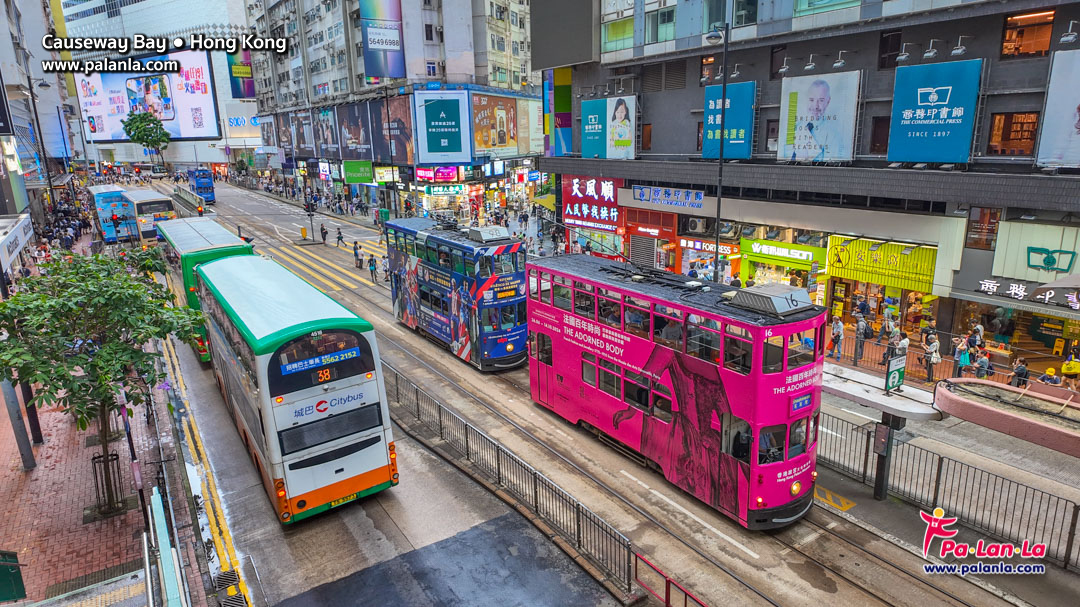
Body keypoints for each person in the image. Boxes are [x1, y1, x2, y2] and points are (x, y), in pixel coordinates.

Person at [788, 79, 842, 162]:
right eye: (811, 100)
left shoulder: (833, 135)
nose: (815, 106)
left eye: (821, 100)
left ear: (828, 101)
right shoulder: (795, 126)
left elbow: (830, 168)